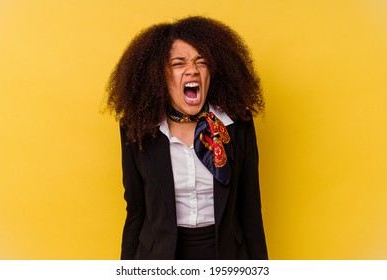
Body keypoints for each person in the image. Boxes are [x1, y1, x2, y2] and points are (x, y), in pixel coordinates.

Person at [105, 16, 268, 260]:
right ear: (159, 75)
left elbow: (250, 210)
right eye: (179, 63)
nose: (192, 69)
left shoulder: (236, 124)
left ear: (212, 72)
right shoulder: (136, 129)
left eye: (201, 62)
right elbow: (136, 211)